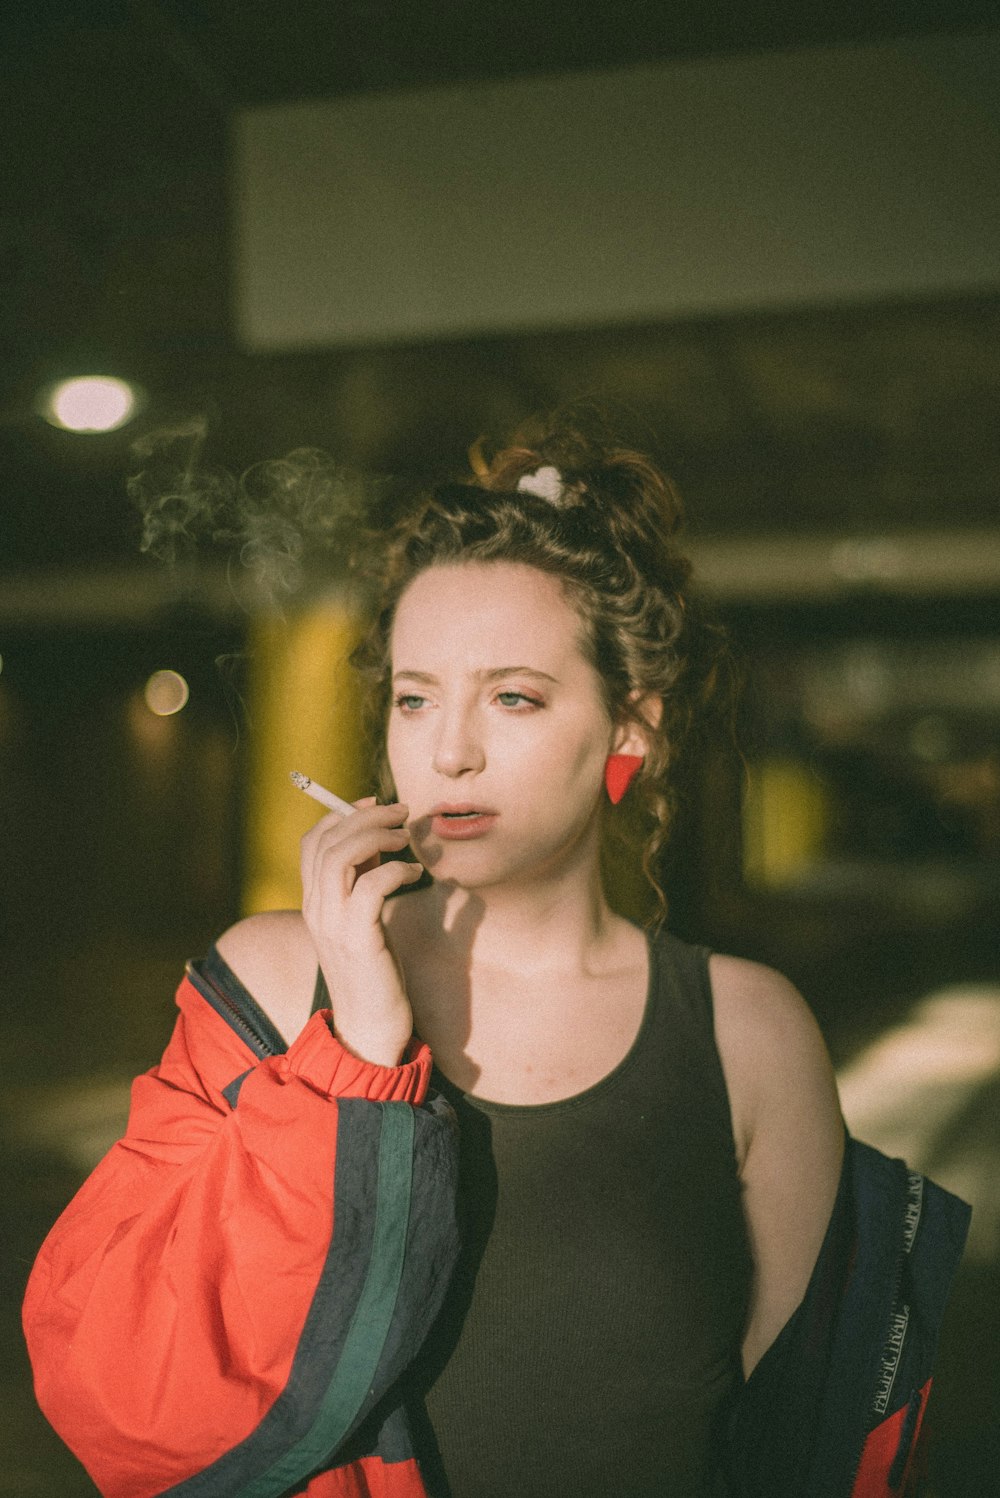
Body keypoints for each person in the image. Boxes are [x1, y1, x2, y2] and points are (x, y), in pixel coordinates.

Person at [23, 422, 969, 1498]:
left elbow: (805, 1444)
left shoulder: (748, 1032)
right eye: (415, 696)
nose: (448, 748)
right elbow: (119, 1390)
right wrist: (356, 1054)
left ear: (631, 731)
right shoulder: (281, 982)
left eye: (511, 696)